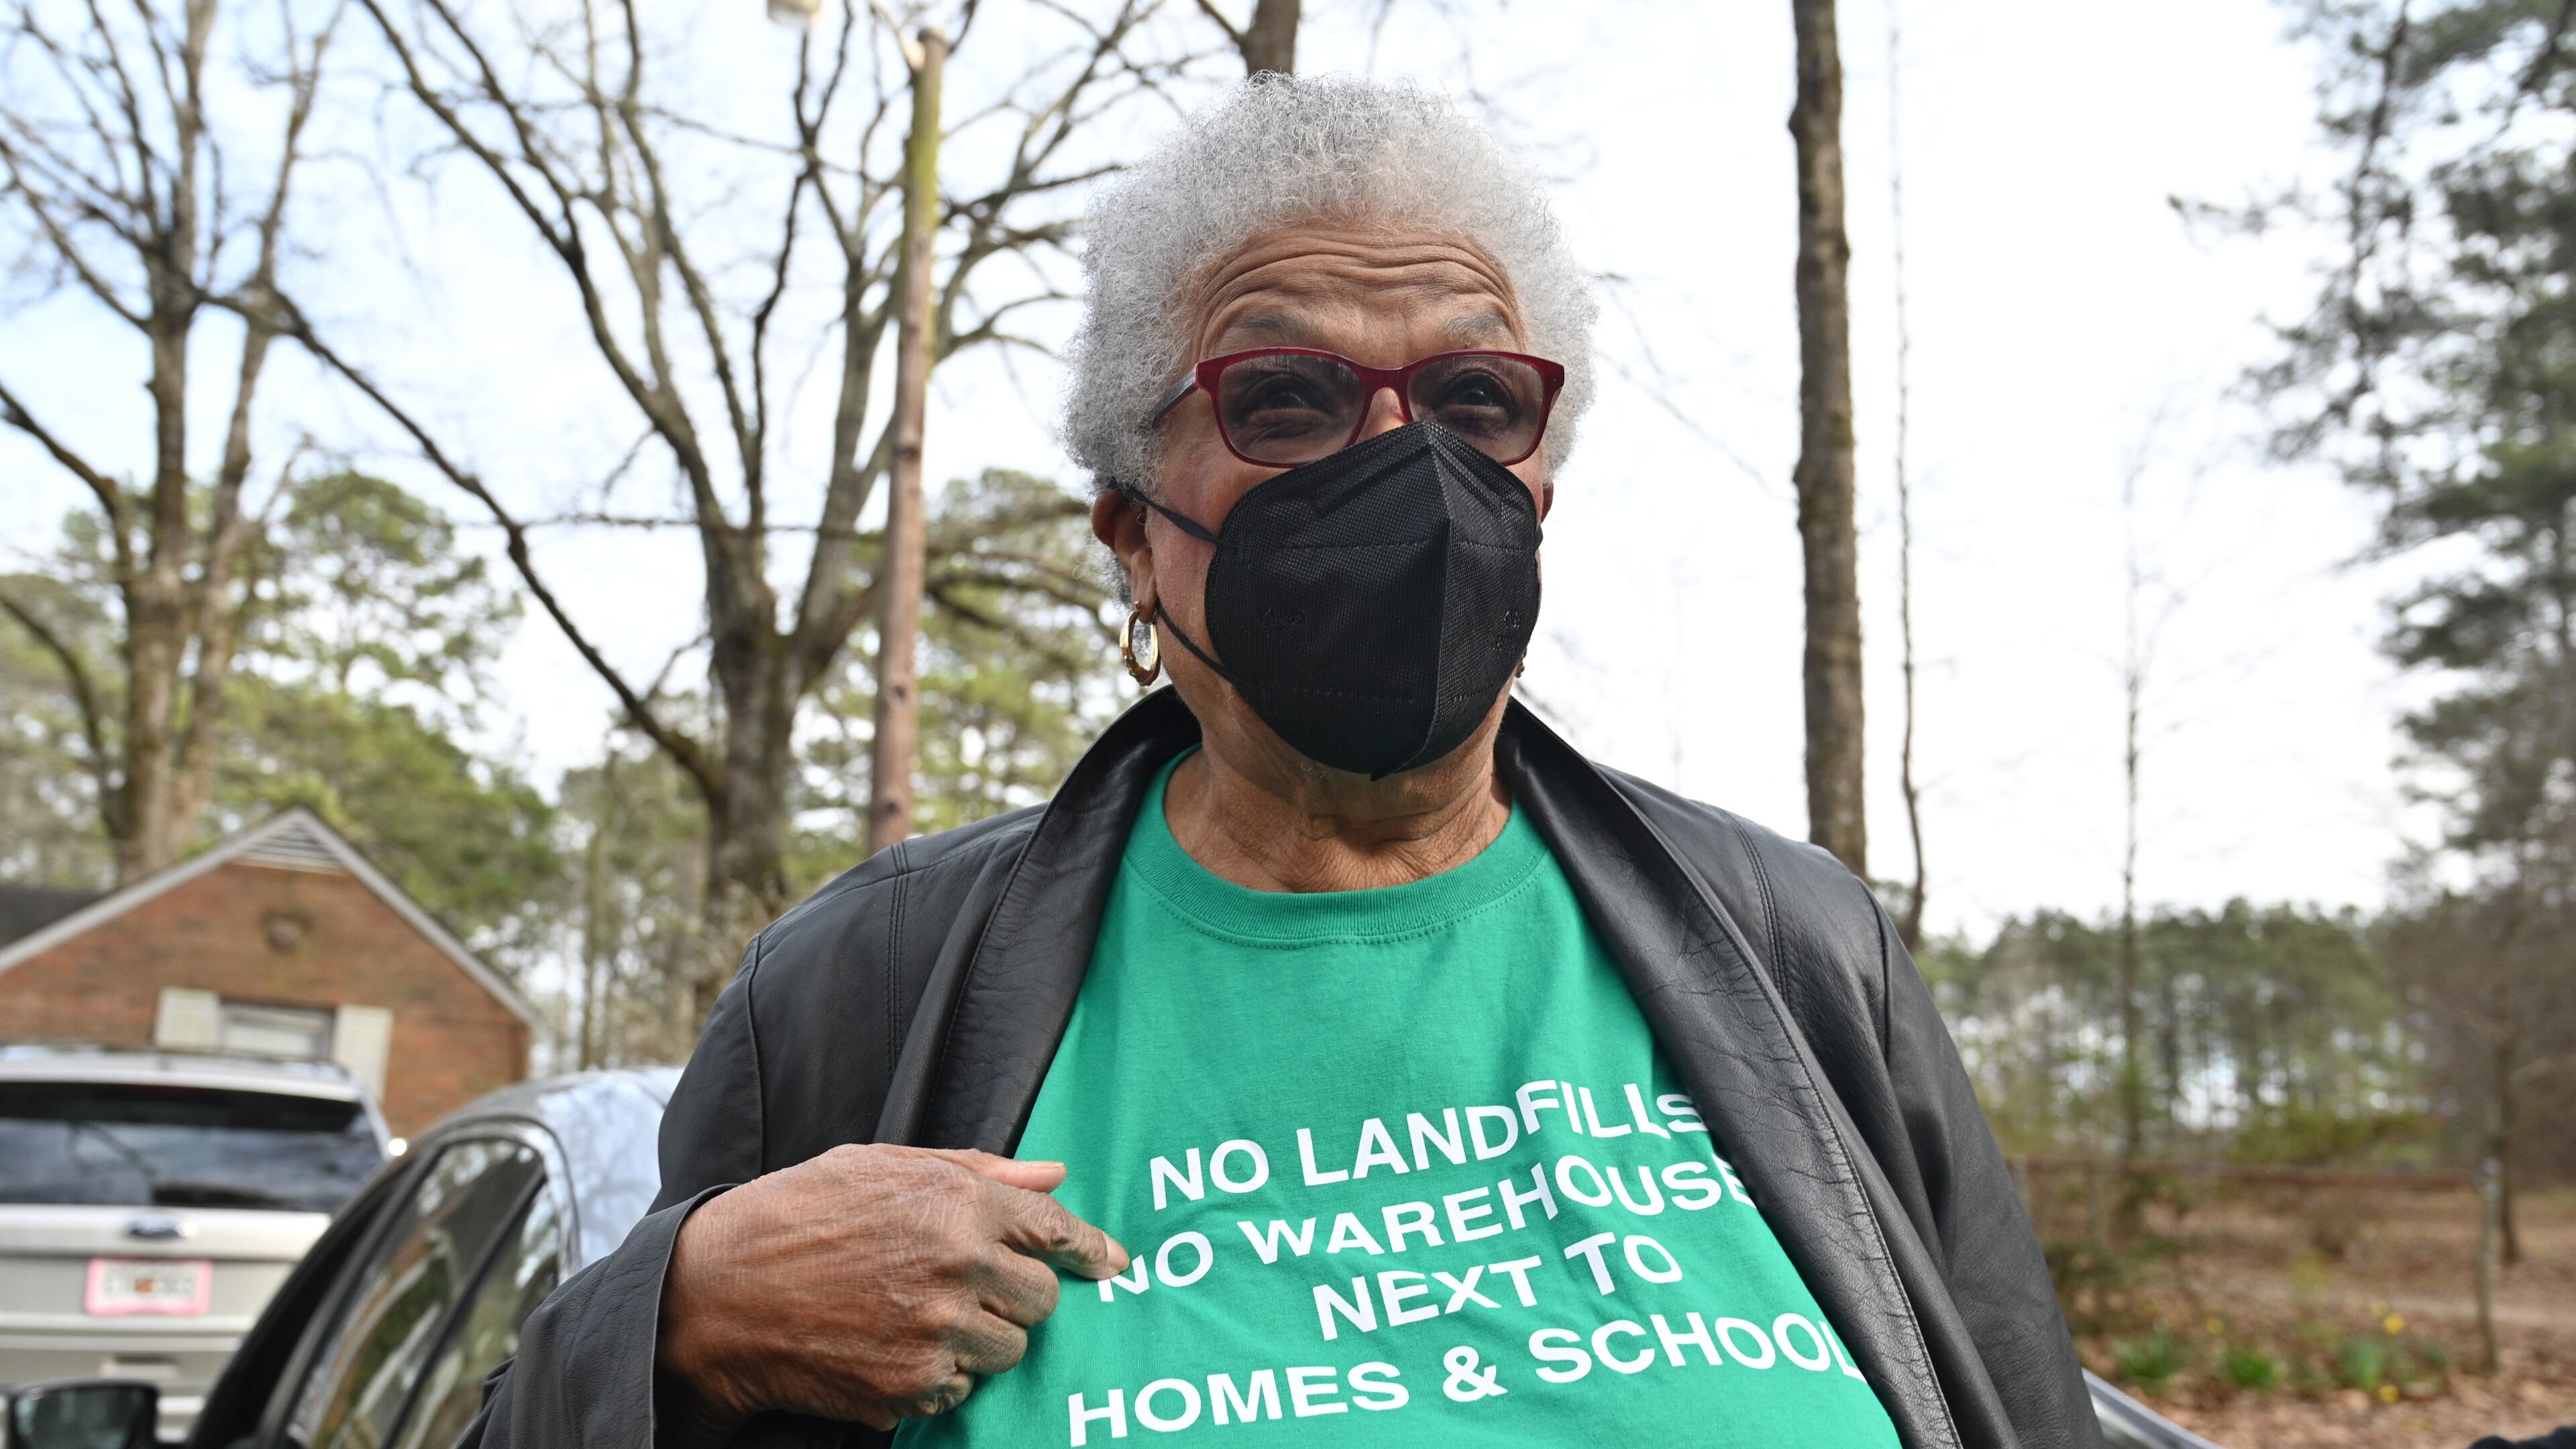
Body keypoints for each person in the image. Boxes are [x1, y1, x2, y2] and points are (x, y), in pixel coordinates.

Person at [472, 76, 2098, 1449]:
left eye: (1476, 397)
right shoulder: (861, 989)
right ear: (1130, 528)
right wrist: (671, 1320)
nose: (1404, 466)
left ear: (1543, 485)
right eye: (1289, 398)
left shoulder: (1798, 948)